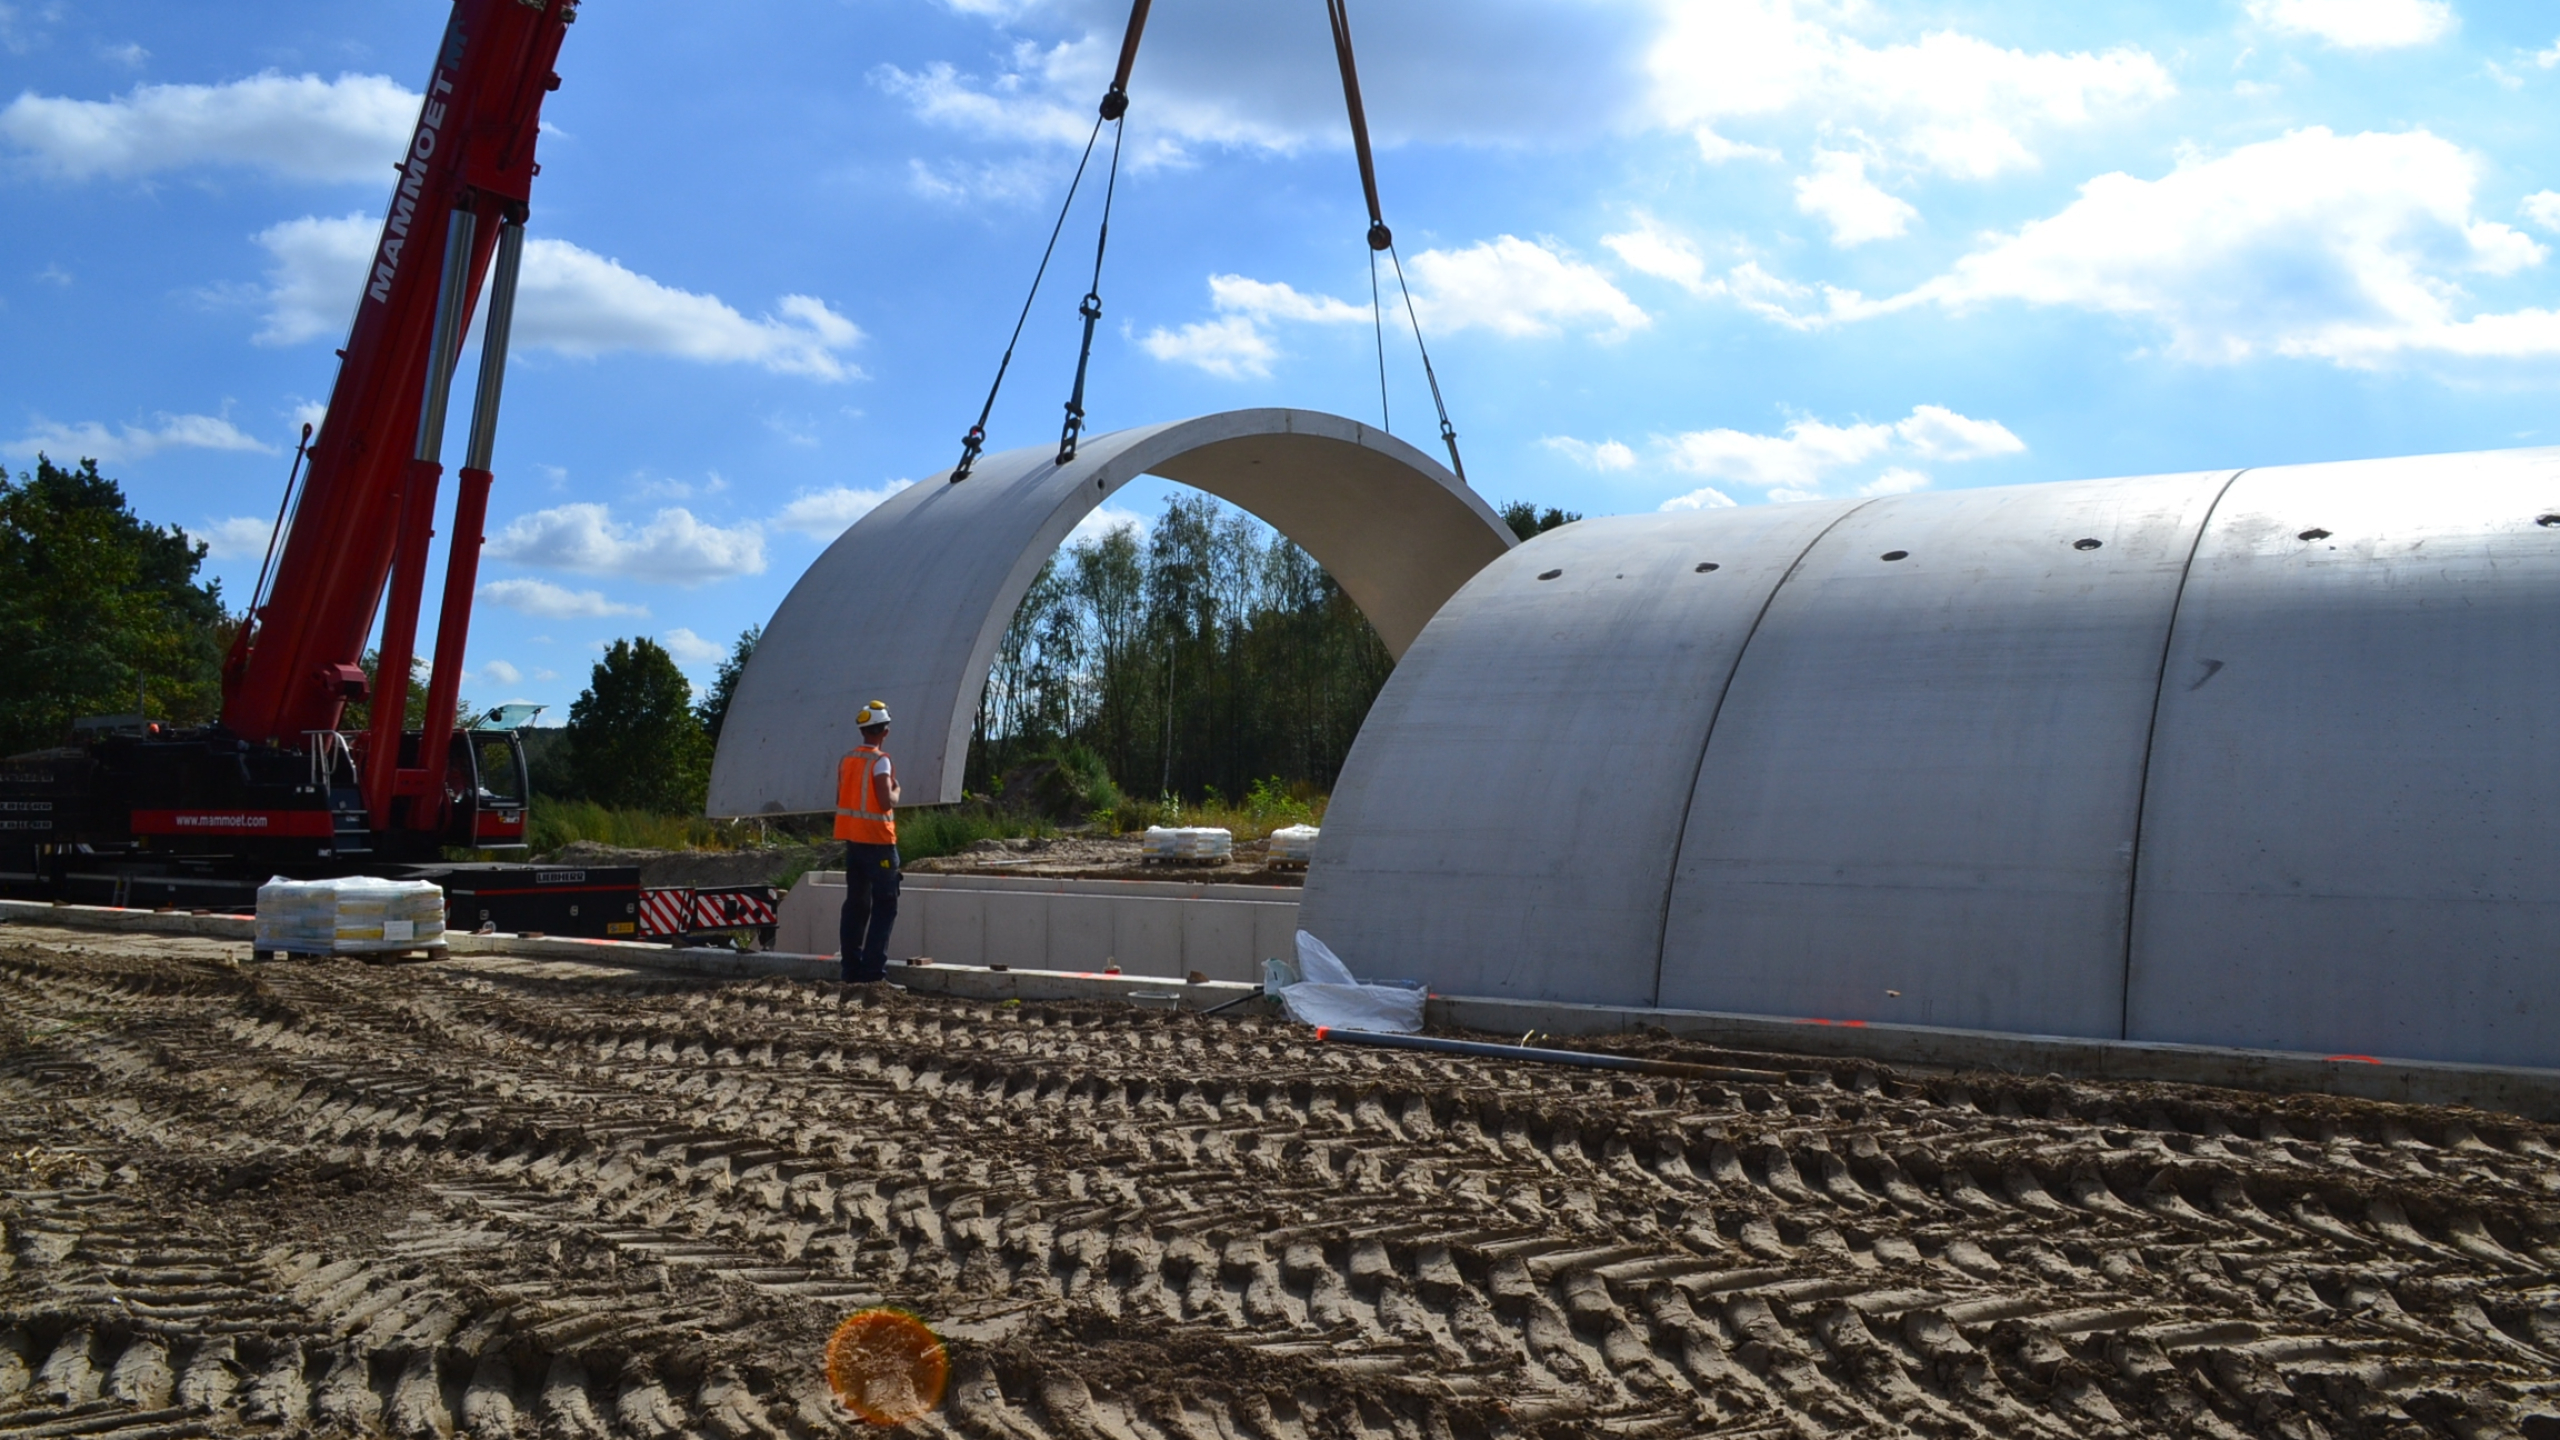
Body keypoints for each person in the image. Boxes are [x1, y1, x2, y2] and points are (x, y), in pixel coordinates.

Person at [834, 700, 902, 982]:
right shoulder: (880, 761)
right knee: (885, 905)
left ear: (863, 729)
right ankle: (874, 974)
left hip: (853, 842)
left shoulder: (847, 759)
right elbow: (886, 801)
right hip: (879, 843)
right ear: (884, 731)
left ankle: (851, 971)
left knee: (856, 905)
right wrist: (898, 791)